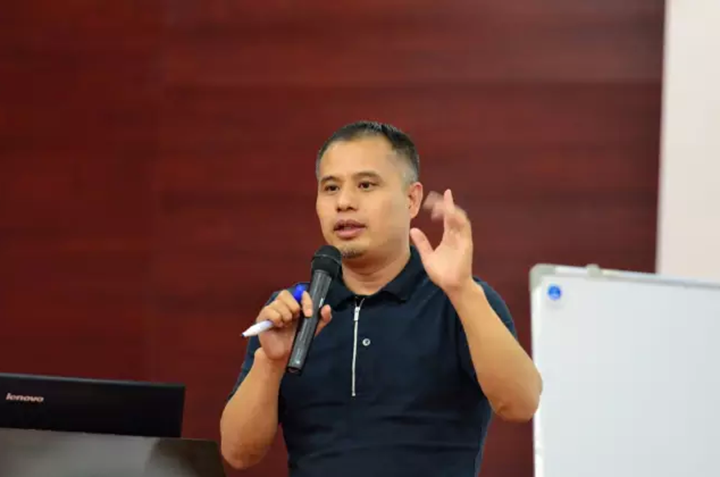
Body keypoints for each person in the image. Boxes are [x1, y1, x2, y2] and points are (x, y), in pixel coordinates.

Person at [220, 121, 543, 477]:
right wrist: (271, 363)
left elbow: (521, 404)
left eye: (366, 185)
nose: (344, 202)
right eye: (331, 187)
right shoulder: (295, 312)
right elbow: (237, 453)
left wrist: (462, 290)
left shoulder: (459, 301)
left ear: (411, 199)